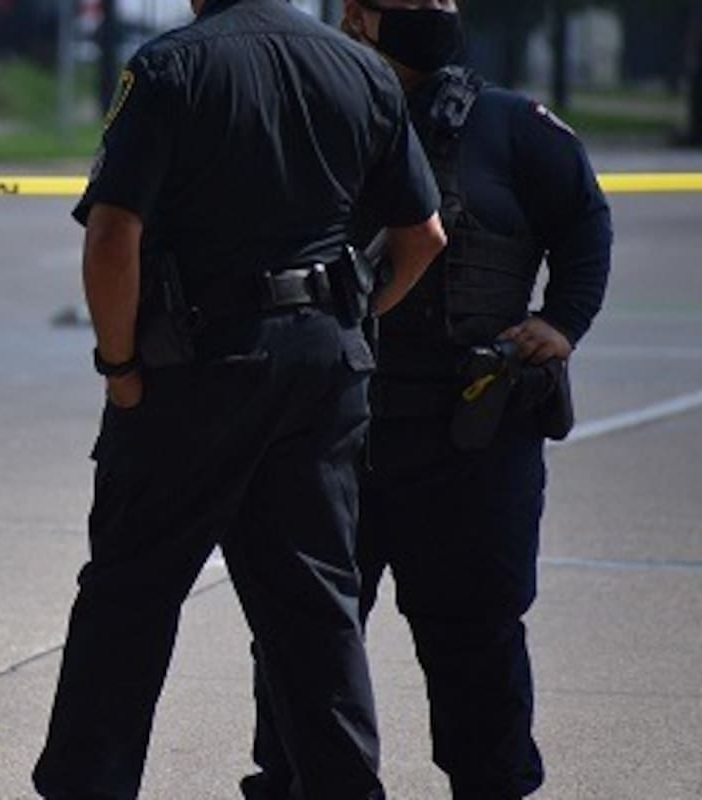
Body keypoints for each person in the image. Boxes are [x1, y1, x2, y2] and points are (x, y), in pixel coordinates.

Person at [30, 0, 447, 795]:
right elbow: (423, 236)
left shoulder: (170, 67)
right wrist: (349, 314)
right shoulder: (361, 67)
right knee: (317, 606)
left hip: (196, 368)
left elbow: (114, 236)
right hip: (322, 369)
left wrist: (119, 367)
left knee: (131, 595)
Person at [243, 2, 613, 799]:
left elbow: (584, 220)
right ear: (359, 18)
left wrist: (562, 320)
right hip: (332, 431)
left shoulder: (511, 126)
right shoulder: (311, 115)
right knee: (304, 635)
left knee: (475, 637)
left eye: (447, 0)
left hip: (472, 436)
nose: (439, 13)